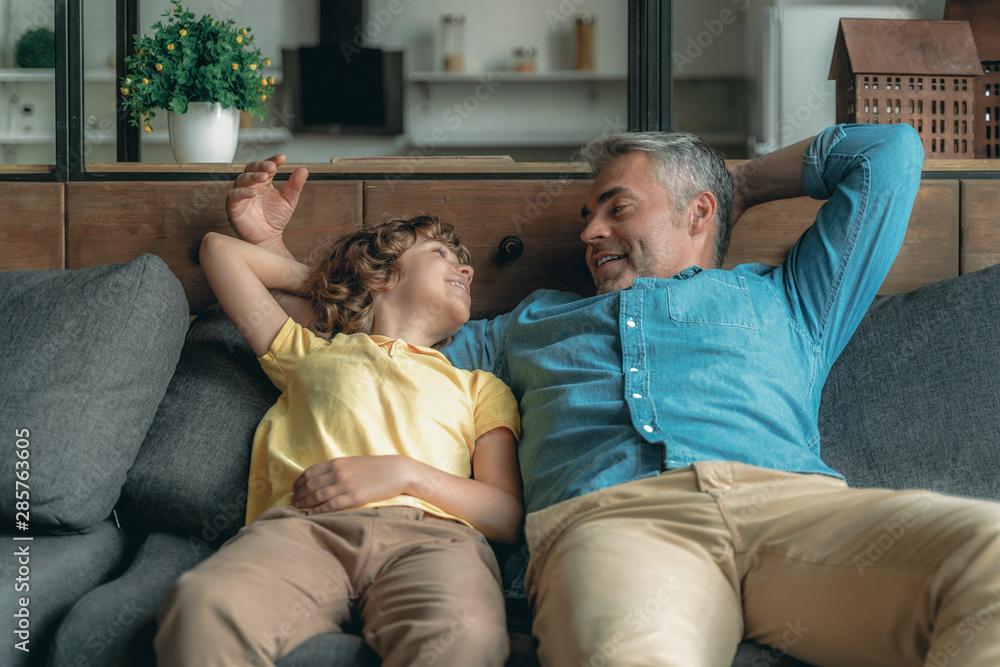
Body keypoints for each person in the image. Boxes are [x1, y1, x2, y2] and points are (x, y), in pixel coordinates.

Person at [225, 123, 1000, 667]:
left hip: (793, 509)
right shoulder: (524, 326)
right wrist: (275, 252)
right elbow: (363, 351)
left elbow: (889, 154)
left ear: (697, 213)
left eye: (616, 207)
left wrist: (733, 184)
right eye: (587, 216)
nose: (592, 231)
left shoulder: (791, 296)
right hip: (612, 523)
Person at [154, 216, 524, 667]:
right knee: (203, 606)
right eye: (441, 253)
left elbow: (504, 515)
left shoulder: (480, 387)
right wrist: (345, 284)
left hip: (433, 540)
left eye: (466, 265)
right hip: (305, 531)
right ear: (383, 274)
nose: (466, 270)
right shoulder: (309, 353)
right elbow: (218, 249)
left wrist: (405, 474)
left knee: (465, 638)